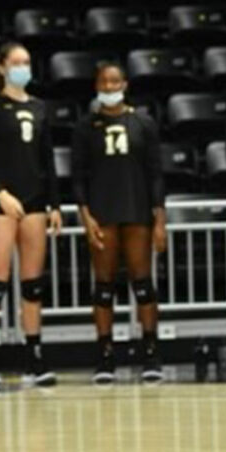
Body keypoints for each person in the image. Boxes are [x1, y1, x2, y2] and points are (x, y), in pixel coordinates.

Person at [0, 42, 62, 392]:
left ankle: (34, 356)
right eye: (17, 62)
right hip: (1, 202)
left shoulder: (39, 107)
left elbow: (48, 159)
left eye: (27, 61)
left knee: (32, 283)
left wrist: (54, 204)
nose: (23, 67)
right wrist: (0, 194)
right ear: (1, 68)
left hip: (35, 200)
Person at [72, 62, 167, 385]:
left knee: (142, 284)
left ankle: (151, 352)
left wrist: (160, 220)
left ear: (125, 84)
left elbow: (156, 173)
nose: (110, 86)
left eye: (115, 81)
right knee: (104, 286)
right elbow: (78, 176)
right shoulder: (86, 126)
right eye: (104, 81)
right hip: (102, 212)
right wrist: (85, 215)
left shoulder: (143, 123)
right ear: (96, 85)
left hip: (137, 210)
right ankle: (105, 355)